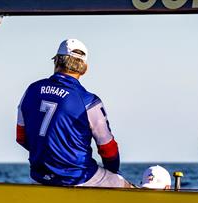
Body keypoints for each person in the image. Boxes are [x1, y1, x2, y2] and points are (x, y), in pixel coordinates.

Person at [16, 39, 132, 188]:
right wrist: (113, 172)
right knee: (125, 185)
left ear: (56, 61)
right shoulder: (89, 101)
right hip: (79, 177)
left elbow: (21, 137)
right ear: (84, 68)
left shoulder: (31, 90)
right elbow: (108, 148)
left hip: (39, 176)